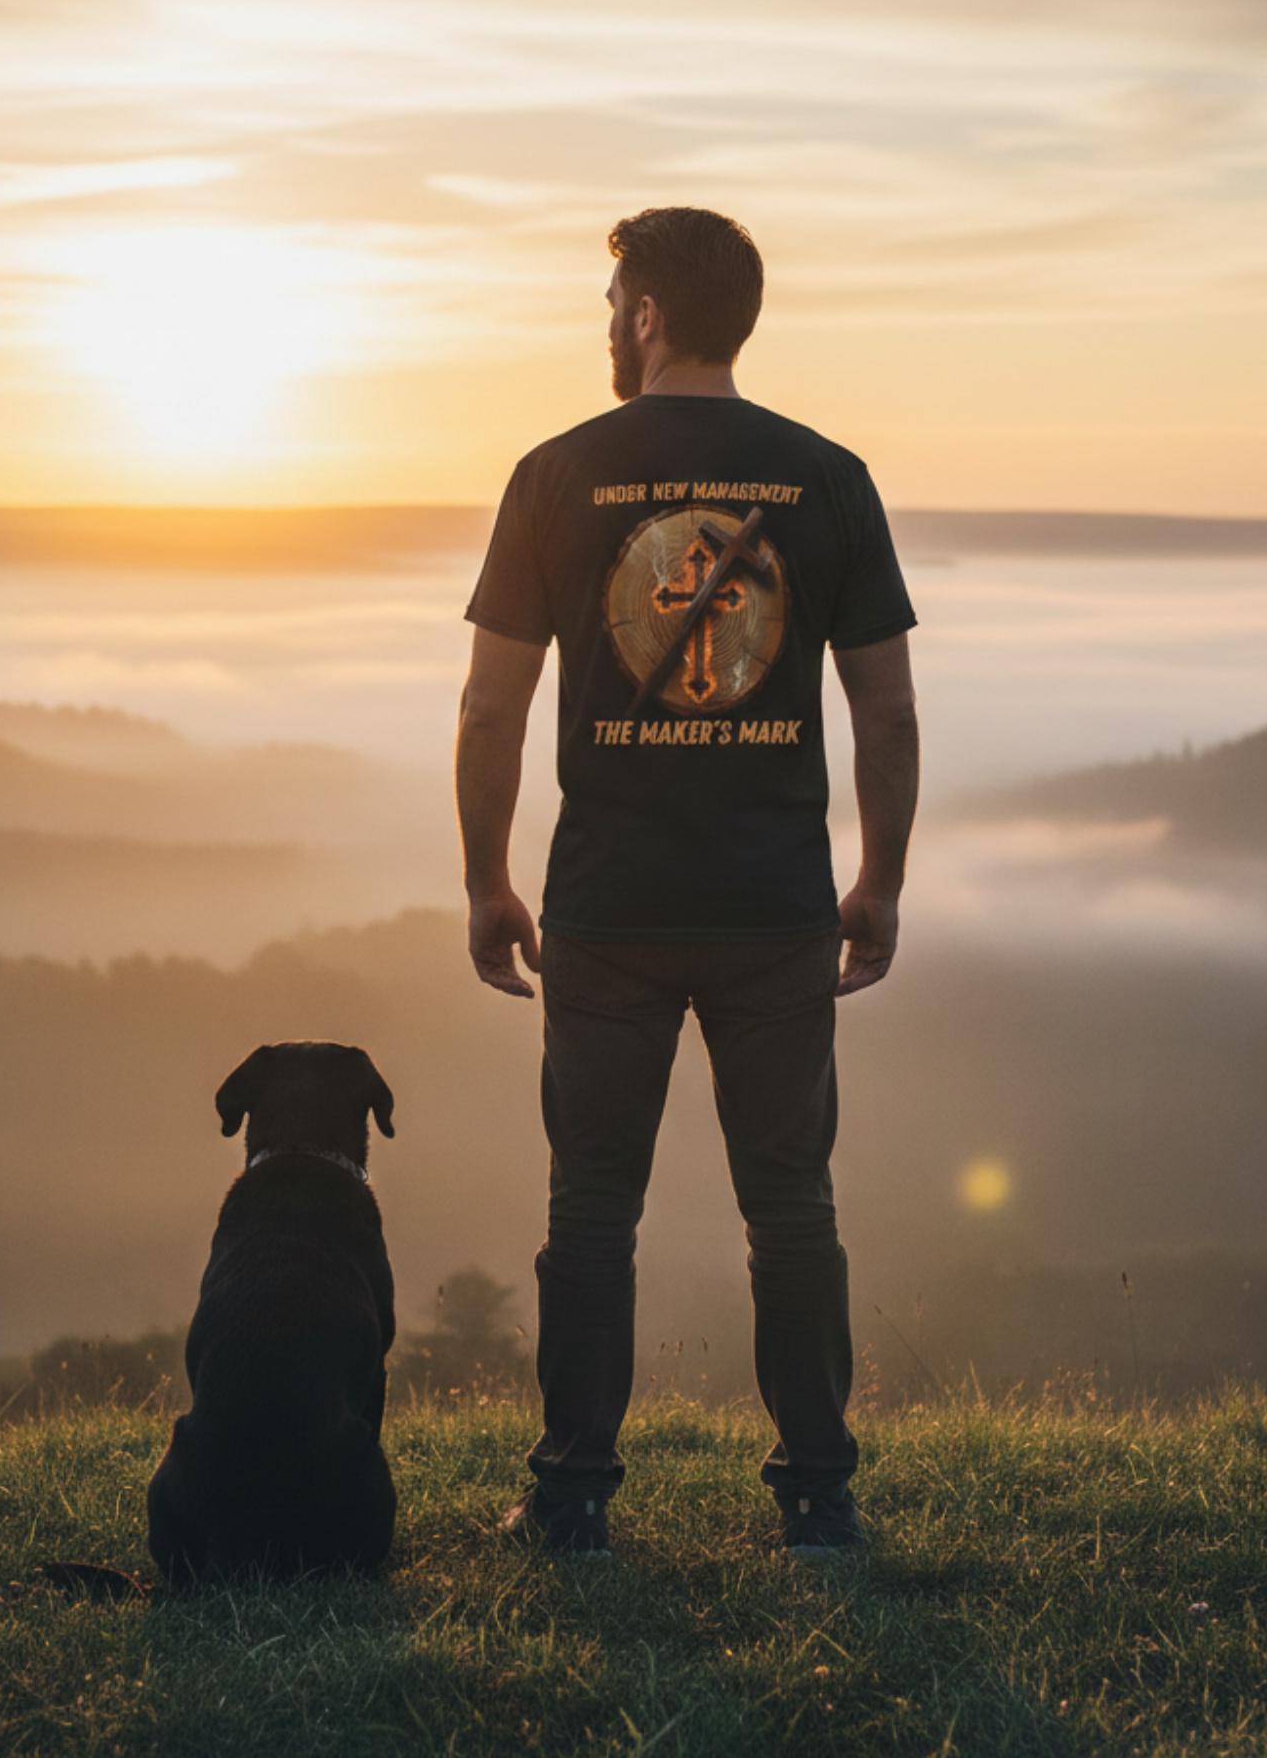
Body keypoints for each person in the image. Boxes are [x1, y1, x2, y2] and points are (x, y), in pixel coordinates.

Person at [455, 206, 920, 1561]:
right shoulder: (827, 478)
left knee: (592, 1204)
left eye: (612, 300)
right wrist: (876, 879)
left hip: (607, 906)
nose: (604, 322)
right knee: (793, 1206)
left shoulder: (554, 474)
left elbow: (491, 711)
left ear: (649, 314)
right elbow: (884, 715)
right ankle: (821, 1498)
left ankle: (572, 1499)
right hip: (775, 906)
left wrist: (488, 879)